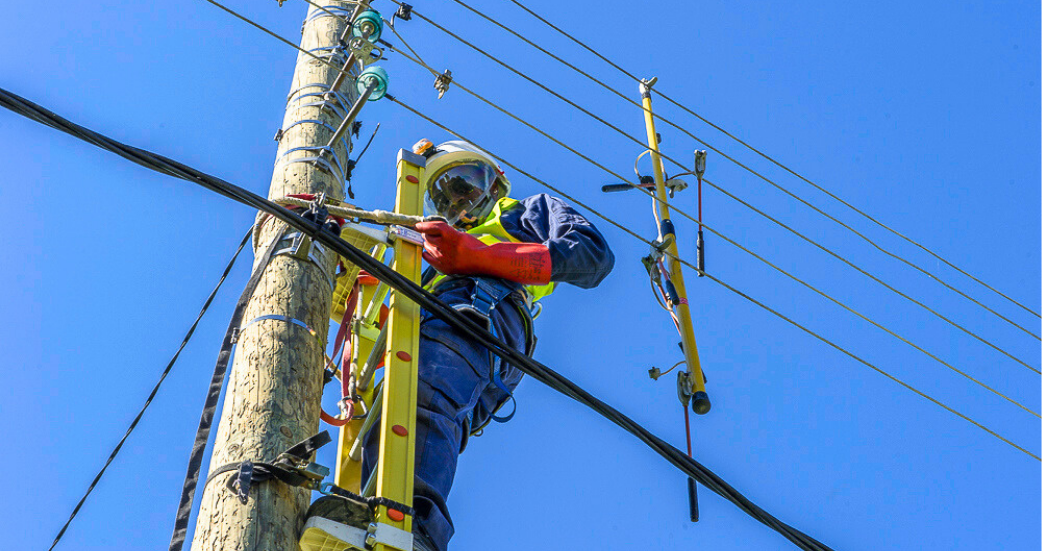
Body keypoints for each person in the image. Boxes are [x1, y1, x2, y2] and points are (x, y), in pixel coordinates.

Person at [312, 139, 615, 551]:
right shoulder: (432, 261)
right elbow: (389, 317)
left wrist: (476, 255)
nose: (462, 201)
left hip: (484, 314)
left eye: (467, 182)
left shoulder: (524, 213)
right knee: (393, 405)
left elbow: (592, 255)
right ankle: (370, 520)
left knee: (423, 394)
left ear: (497, 183)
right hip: (463, 332)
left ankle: (412, 526)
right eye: (447, 195)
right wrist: (339, 256)